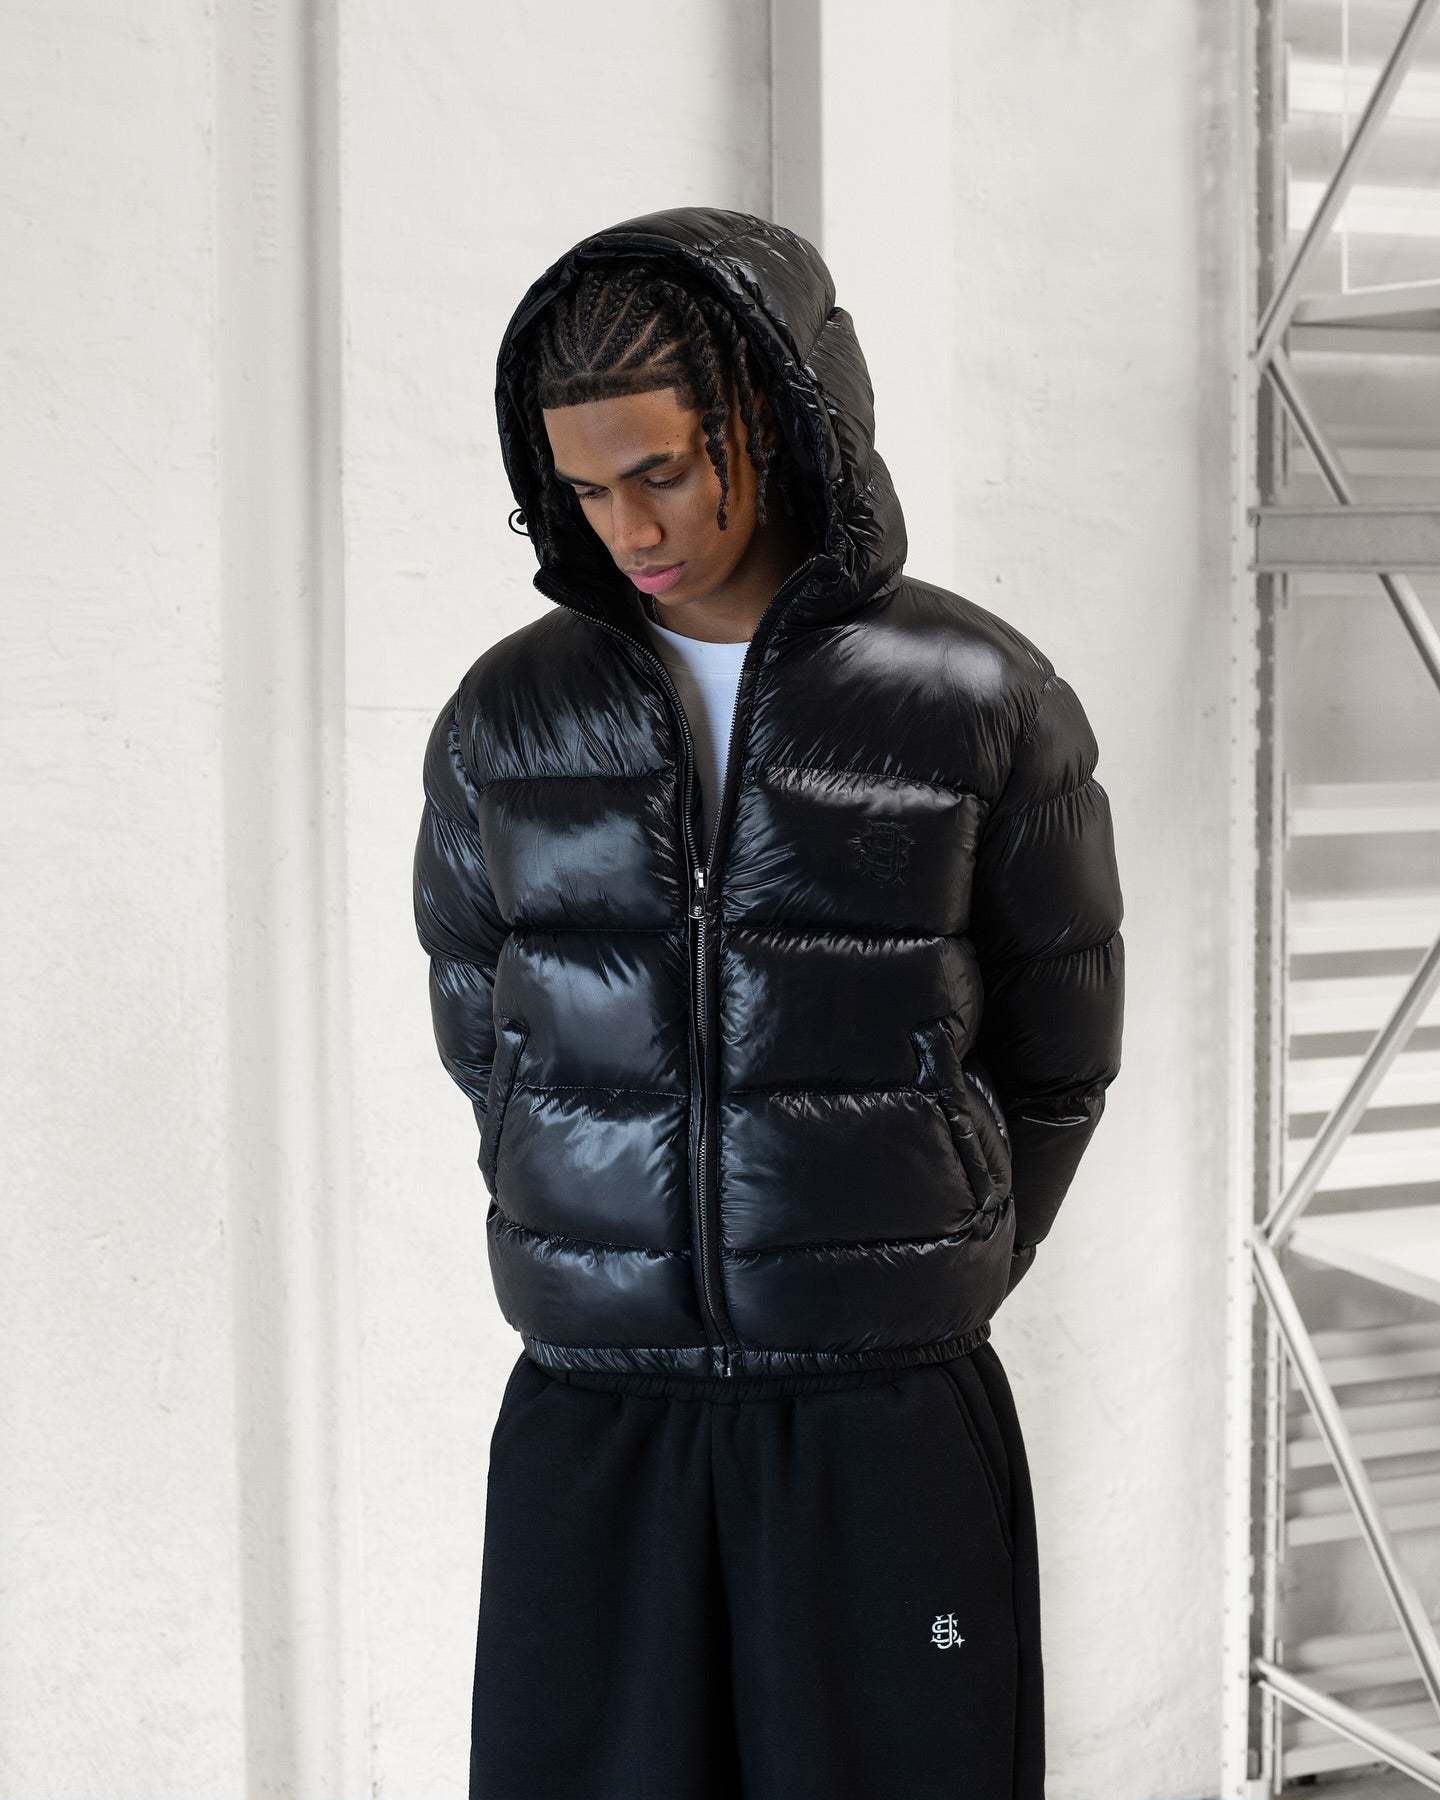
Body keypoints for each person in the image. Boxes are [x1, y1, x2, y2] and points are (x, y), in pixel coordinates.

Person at [413, 204, 1125, 1800]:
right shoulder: (509, 714)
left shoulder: (978, 698)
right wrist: (602, 1227)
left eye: (662, 471)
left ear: (775, 415)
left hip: (882, 1413)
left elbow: (1061, 1051)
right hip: (597, 1404)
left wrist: (924, 1254)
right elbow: (481, 1023)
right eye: (585, 490)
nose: (628, 527)